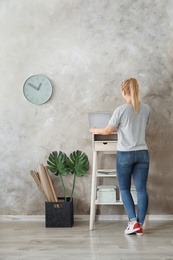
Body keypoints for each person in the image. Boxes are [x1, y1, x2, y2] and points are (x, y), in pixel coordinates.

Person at [89, 78, 150, 236]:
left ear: (124, 92)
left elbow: (107, 131)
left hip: (125, 154)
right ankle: (140, 225)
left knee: (124, 188)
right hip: (143, 153)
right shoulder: (147, 109)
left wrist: (94, 129)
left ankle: (132, 222)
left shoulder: (121, 110)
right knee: (141, 190)